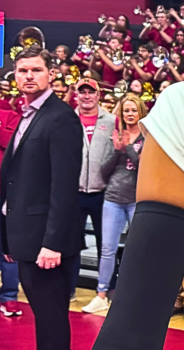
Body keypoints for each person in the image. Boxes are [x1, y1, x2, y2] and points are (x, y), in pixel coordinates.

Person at [0, 46, 84, 350]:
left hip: (46, 243)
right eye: (23, 70)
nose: (29, 76)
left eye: (36, 70)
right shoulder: (27, 115)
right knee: (44, 317)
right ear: (15, 76)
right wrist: (9, 240)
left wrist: (53, 243)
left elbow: (63, 186)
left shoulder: (60, 118)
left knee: (51, 319)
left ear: (51, 74)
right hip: (25, 236)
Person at [81, 95, 145, 314]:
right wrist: (117, 149)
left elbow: (144, 169)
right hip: (113, 199)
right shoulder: (116, 135)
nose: (129, 114)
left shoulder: (148, 137)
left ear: (140, 112)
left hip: (136, 200)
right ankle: (101, 295)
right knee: (107, 249)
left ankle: (134, 294)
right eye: (126, 110)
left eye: (133, 110)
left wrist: (127, 149)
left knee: (136, 250)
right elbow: (104, 170)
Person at [69, 78, 116, 298]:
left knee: (106, 244)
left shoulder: (113, 120)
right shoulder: (67, 120)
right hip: (74, 193)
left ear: (99, 95)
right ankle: (69, 289)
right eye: (82, 92)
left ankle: (108, 290)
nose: (86, 96)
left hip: (103, 193)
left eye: (91, 92)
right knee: (70, 243)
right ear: (76, 95)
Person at [0, 101, 21, 317]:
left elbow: (12, 145)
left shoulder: (9, 116)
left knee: (9, 250)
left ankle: (10, 297)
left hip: (3, 194)